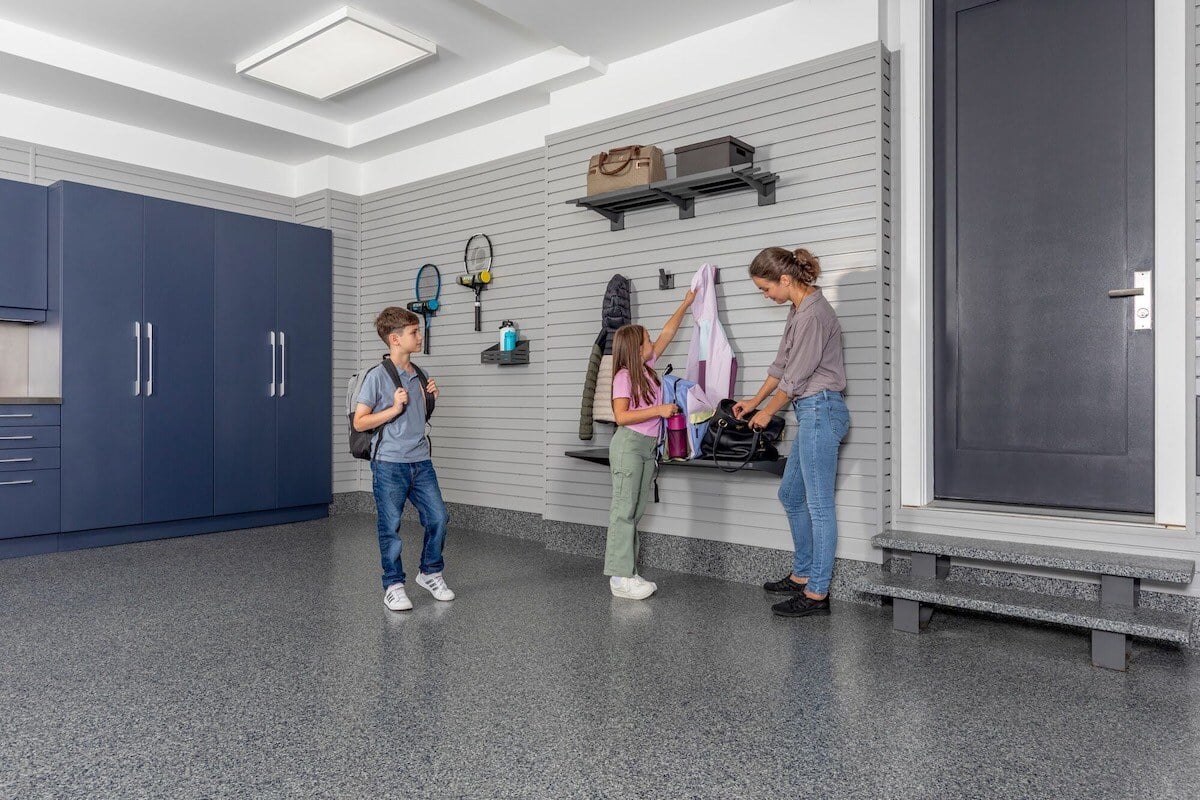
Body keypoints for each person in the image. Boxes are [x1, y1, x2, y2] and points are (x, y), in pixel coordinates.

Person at [733, 248, 849, 618]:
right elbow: (782, 365)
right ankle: (801, 575)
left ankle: (817, 594)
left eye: (765, 289)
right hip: (810, 411)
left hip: (821, 410)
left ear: (785, 280)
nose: (765, 295)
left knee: (818, 506)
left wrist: (768, 412)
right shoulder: (798, 309)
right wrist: (754, 400)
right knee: (791, 494)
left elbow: (796, 377)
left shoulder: (814, 314)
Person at [353, 307, 452, 611]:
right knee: (390, 526)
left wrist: (430, 398)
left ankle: (430, 572)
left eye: (418, 331)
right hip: (389, 464)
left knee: (439, 518)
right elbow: (360, 422)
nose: (419, 336)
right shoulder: (376, 376)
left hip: (421, 462)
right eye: (414, 332)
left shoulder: (418, 374)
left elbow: (418, 419)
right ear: (395, 339)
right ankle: (394, 585)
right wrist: (393, 409)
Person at [604, 290, 695, 599]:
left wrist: (686, 302)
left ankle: (629, 572)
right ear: (635, 348)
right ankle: (619, 578)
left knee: (636, 510)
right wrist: (659, 410)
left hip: (645, 448)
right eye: (646, 340)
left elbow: (669, 332)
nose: (652, 342)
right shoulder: (625, 376)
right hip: (629, 445)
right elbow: (620, 415)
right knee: (623, 511)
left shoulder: (646, 368)